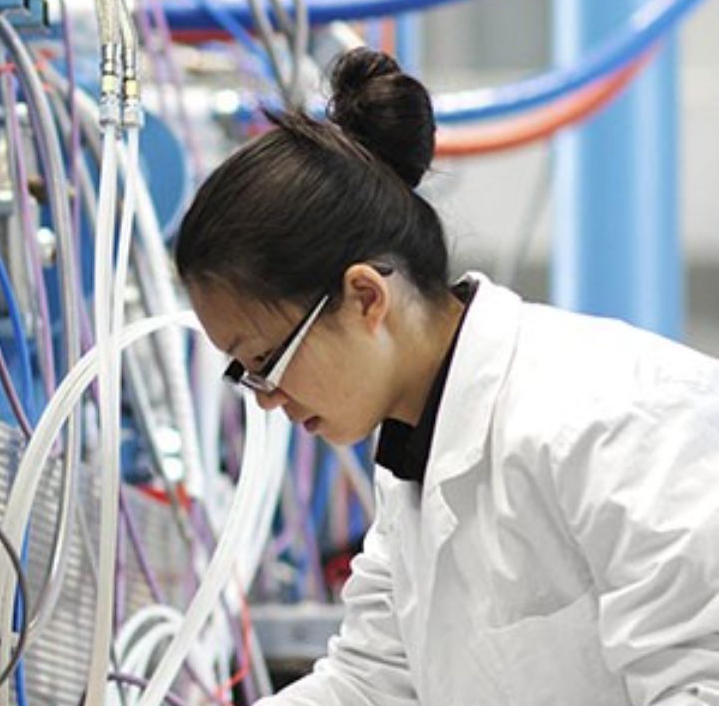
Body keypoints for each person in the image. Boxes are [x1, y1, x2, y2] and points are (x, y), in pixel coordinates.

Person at [174, 47, 719, 705]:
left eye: (267, 362)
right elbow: (371, 682)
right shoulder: (413, 459)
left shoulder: (616, 416)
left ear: (367, 298)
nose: (267, 400)